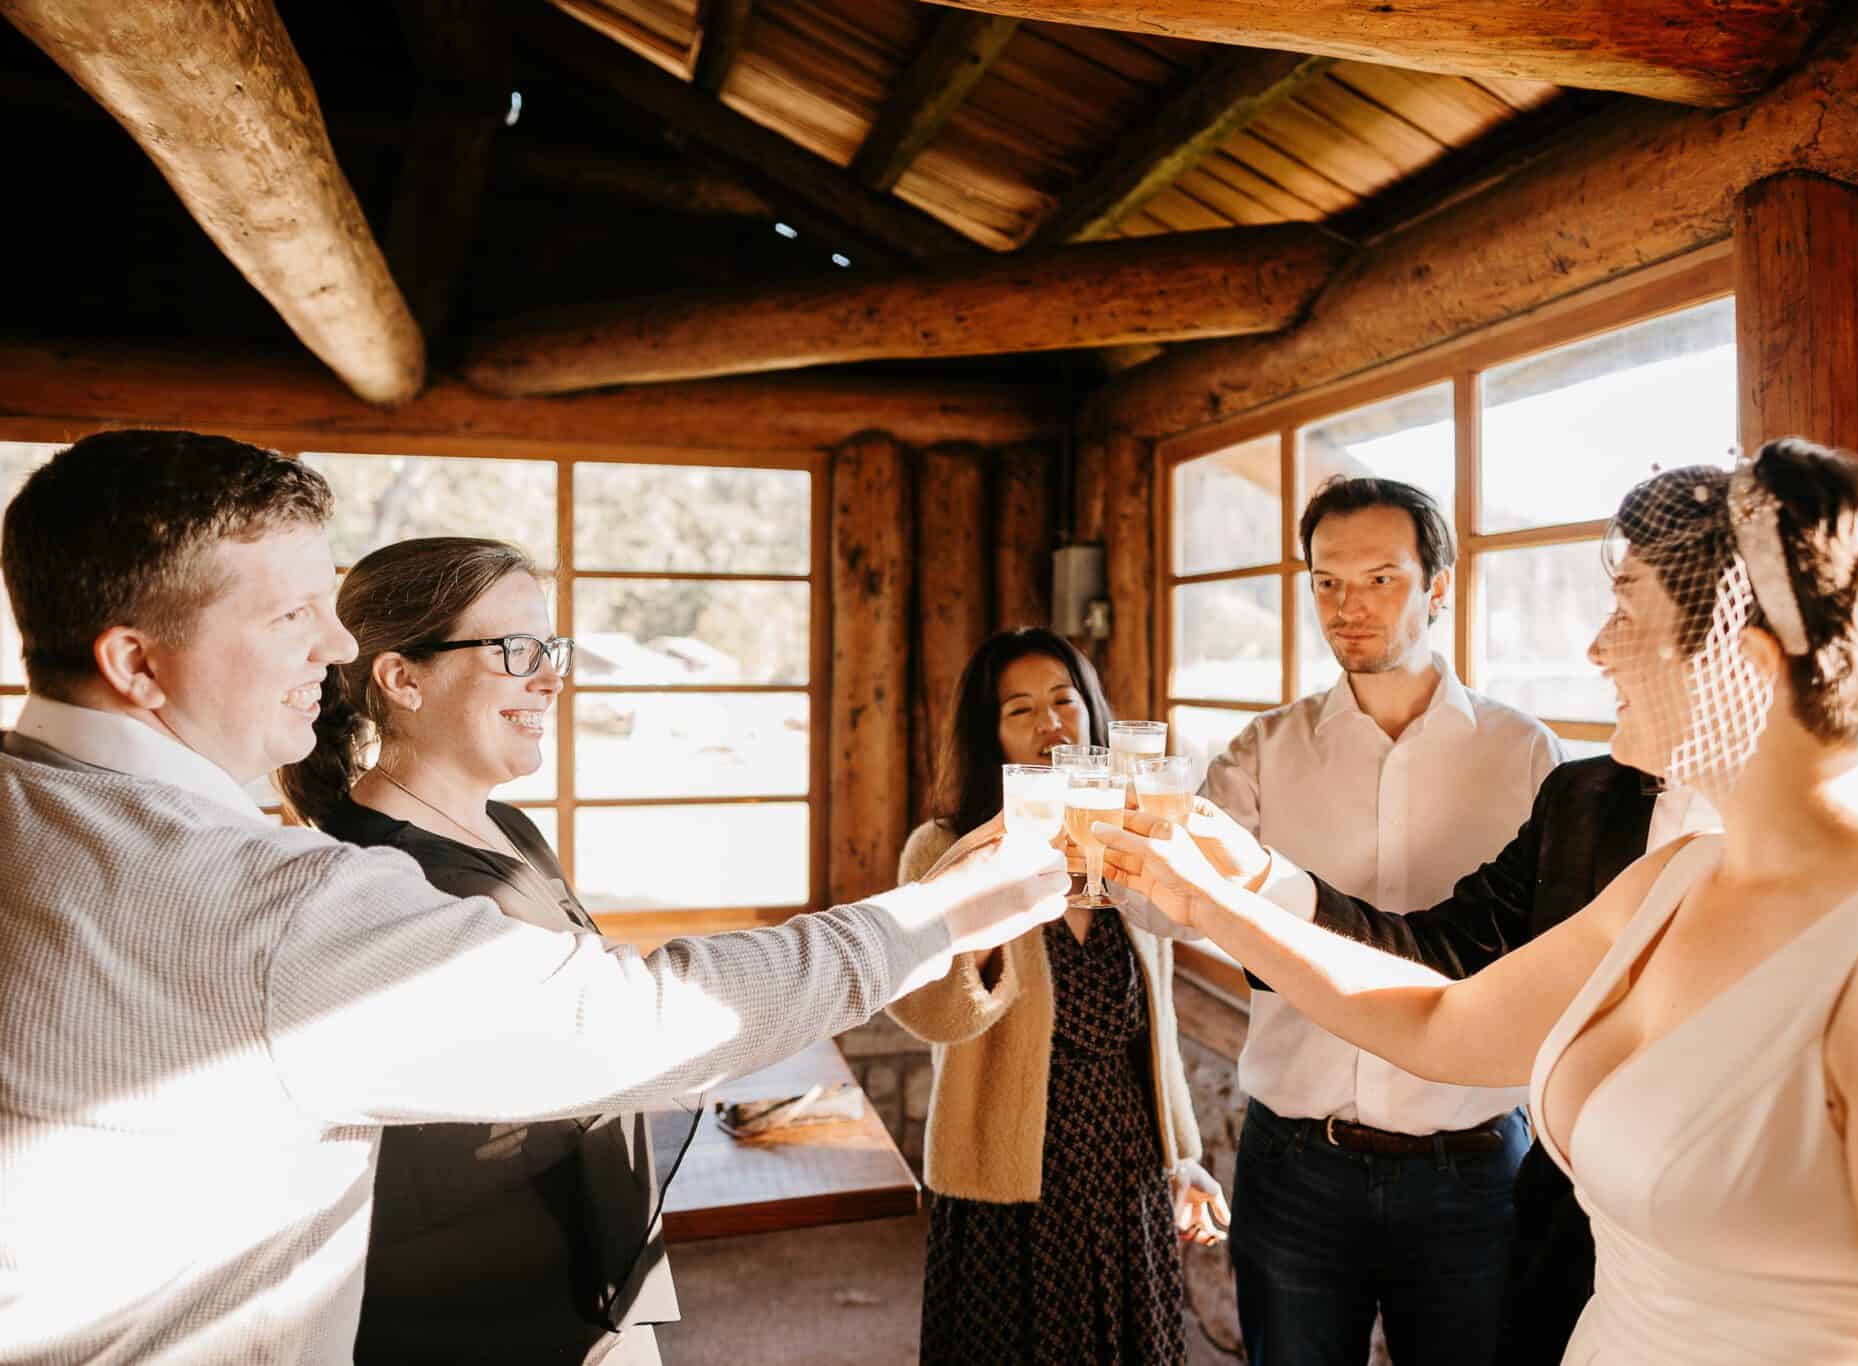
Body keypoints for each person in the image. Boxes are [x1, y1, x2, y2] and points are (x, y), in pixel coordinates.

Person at [0, 430, 1068, 1366]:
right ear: (138, 663)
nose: (332, 649)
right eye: (292, 615)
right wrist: (946, 907)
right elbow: (641, 1024)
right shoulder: (275, 907)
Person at [1102, 440, 1858, 1365]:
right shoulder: (1675, 880)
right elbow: (1434, 1017)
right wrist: (1209, 896)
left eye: (1627, 611)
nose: (1596, 650)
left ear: (1744, 663)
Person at [1250, 726, 1858, 1366]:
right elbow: (1442, 1002)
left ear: (1738, 641)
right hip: (1572, 1288)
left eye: (1632, 608)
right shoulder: (1642, 844)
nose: (1598, 646)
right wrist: (1232, 890)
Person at [270, 537, 674, 1363]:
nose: (551, 677)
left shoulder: (507, 825)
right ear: (402, 677)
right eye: (515, 650)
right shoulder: (372, 874)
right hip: (475, 1303)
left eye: (550, 649)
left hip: (580, 1256)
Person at [1199, 475, 1561, 1366]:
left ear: (1441, 588)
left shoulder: (1526, 756)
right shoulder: (1257, 755)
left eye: (1380, 578)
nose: (1347, 607)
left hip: (1474, 1170)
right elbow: (1177, 908)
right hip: (1295, 1167)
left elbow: (1557, 950)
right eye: (1326, 581)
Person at [890, 627, 1225, 1366]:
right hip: (1007, 1190)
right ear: (992, 736)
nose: (1050, 724)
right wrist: (987, 900)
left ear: (1092, 712)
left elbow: (1156, 1025)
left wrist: (1185, 1157)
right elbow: (933, 1015)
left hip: (1125, 1176)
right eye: (1020, 710)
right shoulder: (946, 847)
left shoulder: (1131, 847)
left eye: (1063, 700)